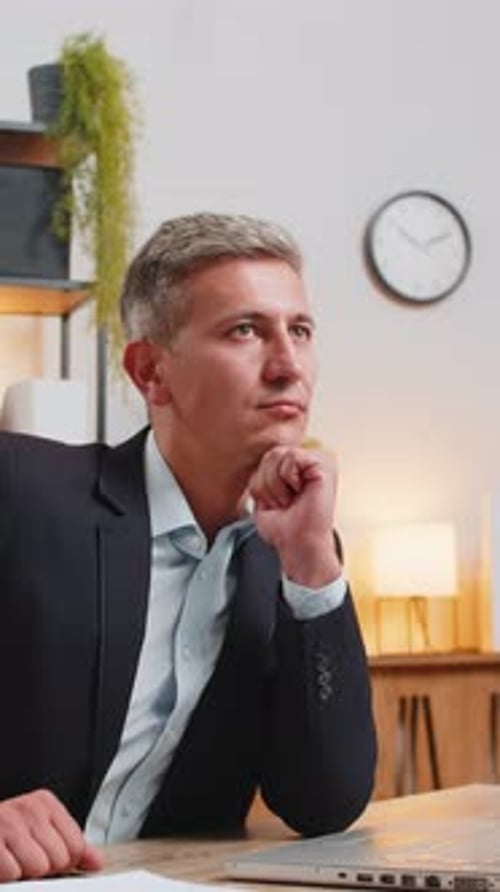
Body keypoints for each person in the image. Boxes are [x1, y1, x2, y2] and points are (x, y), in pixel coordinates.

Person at [0, 212, 376, 883]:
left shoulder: (293, 557)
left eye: (301, 331)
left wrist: (313, 566)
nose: (288, 366)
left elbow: (325, 800)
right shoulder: (20, 489)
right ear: (151, 372)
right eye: (245, 331)